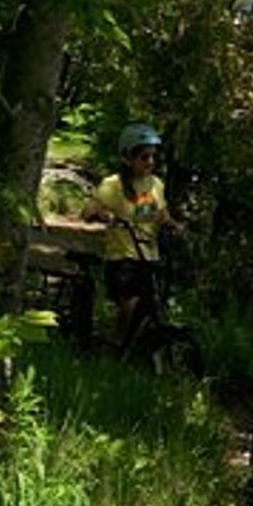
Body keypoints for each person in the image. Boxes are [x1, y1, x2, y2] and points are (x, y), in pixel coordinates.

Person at [83, 122, 178, 351]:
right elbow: (88, 213)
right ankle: (116, 343)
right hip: (122, 255)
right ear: (128, 157)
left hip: (149, 254)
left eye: (153, 157)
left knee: (152, 304)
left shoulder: (154, 184)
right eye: (144, 157)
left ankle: (140, 350)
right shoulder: (112, 185)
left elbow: (160, 214)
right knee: (130, 302)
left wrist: (171, 224)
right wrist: (103, 216)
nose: (150, 162)